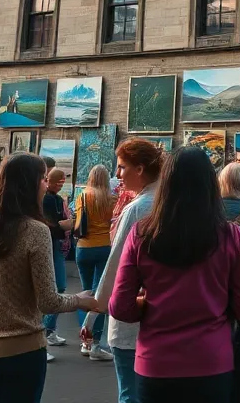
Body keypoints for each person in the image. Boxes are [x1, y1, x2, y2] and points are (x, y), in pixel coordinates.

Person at [109, 147, 240, 402]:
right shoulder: (230, 236)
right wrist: (216, 308)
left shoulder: (142, 234)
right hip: (211, 361)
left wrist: (145, 304)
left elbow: (120, 306)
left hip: (156, 363)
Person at [0, 153, 98, 401]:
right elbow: (48, 301)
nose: (46, 185)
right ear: (30, 184)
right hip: (21, 349)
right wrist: (79, 300)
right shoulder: (35, 230)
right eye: (43, 179)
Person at [80, 138, 164, 403]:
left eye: (122, 167)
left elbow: (116, 265)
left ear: (139, 169)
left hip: (132, 314)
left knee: (130, 392)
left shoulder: (138, 209)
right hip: (167, 316)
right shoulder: (170, 204)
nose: (118, 174)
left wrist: (93, 315)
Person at [75, 164, 115, 361]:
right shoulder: (112, 198)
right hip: (104, 247)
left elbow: (78, 223)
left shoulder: (82, 196)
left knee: (86, 293)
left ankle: (85, 342)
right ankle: (96, 344)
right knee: (99, 297)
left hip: (83, 247)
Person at [41, 168, 75, 354]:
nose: (61, 184)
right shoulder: (47, 199)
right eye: (59, 181)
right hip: (52, 244)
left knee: (58, 288)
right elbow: (52, 224)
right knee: (56, 287)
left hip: (56, 244)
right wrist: (63, 225)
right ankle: (45, 332)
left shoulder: (55, 198)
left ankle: (48, 330)